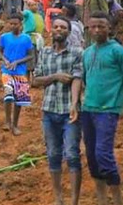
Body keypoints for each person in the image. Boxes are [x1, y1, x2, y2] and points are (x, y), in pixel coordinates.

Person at [73, 11, 123, 205]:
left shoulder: (118, 52)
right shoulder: (87, 52)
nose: (97, 30)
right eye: (93, 26)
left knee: (103, 153)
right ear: (88, 28)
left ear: (109, 28)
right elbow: (85, 80)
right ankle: (103, 199)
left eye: (101, 26)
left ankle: (118, 199)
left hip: (108, 110)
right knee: (92, 157)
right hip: (89, 109)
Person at [32, 16, 83, 205]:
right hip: (48, 110)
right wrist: (55, 76)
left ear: (68, 32)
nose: (59, 29)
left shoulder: (77, 52)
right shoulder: (45, 53)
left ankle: (74, 201)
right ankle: (58, 198)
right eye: (56, 27)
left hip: (69, 112)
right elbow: (35, 80)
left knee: (71, 154)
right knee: (53, 154)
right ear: (51, 30)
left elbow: (77, 78)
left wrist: (74, 104)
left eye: (63, 27)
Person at [0, 13, 34, 136]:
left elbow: (30, 55)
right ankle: (7, 121)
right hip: (7, 71)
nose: (12, 26)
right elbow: (0, 52)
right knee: (8, 94)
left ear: (21, 24)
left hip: (20, 72)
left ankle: (15, 124)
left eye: (15, 24)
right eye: (11, 24)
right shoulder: (4, 37)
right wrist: (5, 61)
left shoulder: (26, 39)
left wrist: (17, 62)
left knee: (19, 100)